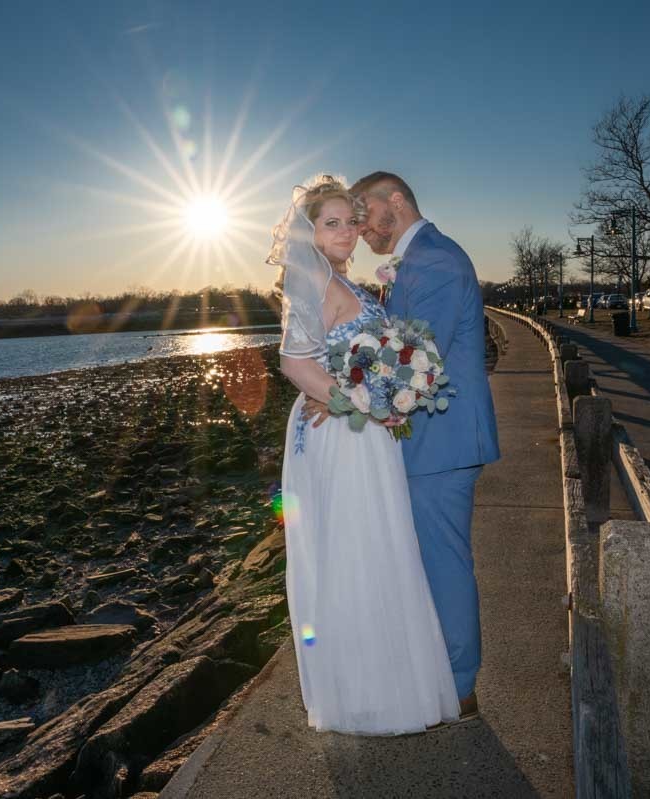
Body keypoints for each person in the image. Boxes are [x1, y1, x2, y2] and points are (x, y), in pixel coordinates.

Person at [272, 175, 460, 735]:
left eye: (351, 221)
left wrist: (383, 395)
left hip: (361, 431)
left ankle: (388, 688)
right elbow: (292, 361)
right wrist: (353, 401)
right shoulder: (311, 278)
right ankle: (363, 697)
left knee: (378, 547)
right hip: (341, 434)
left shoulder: (340, 279)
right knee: (355, 550)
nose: (348, 232)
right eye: (332, 223)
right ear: (309, 230)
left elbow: (356, 356)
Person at [308, 171, 500, 714]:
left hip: (443, 442)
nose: (362, 227)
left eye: (364, 212)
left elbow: (413, 358)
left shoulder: (435, 260)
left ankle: (460, 689)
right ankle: (438, 679)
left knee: (442, 561)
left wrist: (339, 395)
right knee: (427, 560)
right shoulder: (417, 261)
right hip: (427, 440)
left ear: (397, 199)